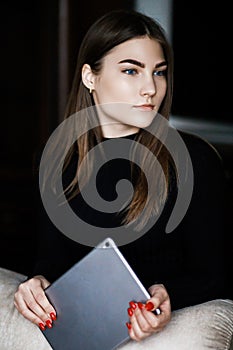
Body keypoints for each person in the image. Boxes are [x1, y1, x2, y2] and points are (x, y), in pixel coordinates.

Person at [14, 9, 228, 342]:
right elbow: (51, 260)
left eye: (159, 73)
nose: (150, 89)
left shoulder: (194, 159)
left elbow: (216, 274)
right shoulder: (54, 157)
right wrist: (37, 282)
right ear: (90, 77)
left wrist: (167, 293)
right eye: (131, 70)